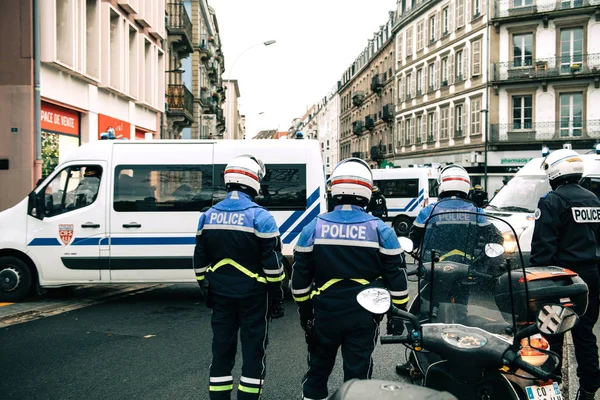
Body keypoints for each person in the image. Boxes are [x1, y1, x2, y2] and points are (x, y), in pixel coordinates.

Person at [292, 157, 409, 400]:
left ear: (334, 190)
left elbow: (300, 280)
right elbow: (396, 278)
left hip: (324, 312)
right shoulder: (381, 230)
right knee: (357, 378)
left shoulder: (313, 227)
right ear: (366, 191)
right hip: (363, 315)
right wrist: (396, 315)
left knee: (317, 372)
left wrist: (305, 313)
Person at [193, 154, 286, 400]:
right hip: (254, 297)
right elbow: (274, 266)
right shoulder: (262, 217)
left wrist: (207, 288)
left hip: (221, 295)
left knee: (221, 353)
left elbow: (199, 262)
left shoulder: (207, 216)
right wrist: (276, 297)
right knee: (253, 354)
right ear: (254, 181)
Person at [397, 164, 502, 375]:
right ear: (466, 187)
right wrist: (480, 263)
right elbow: (496, 239)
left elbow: (414, 240)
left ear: (442, 187)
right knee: (462, 316)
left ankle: (415, 364)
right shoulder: (476, 211)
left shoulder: (430, 211)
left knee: (425, 317)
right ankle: (463, 360)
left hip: (434, 272)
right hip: (466, 274)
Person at [529, 149, 600, 400]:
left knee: (552, 333)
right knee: (585, 334)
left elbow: (542, 249)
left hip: (562, 279)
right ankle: (590, 389)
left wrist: (536, 281)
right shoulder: (594, 199)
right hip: (591, 277)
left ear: (555, 171)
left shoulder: (552, 201)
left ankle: (551, 385)